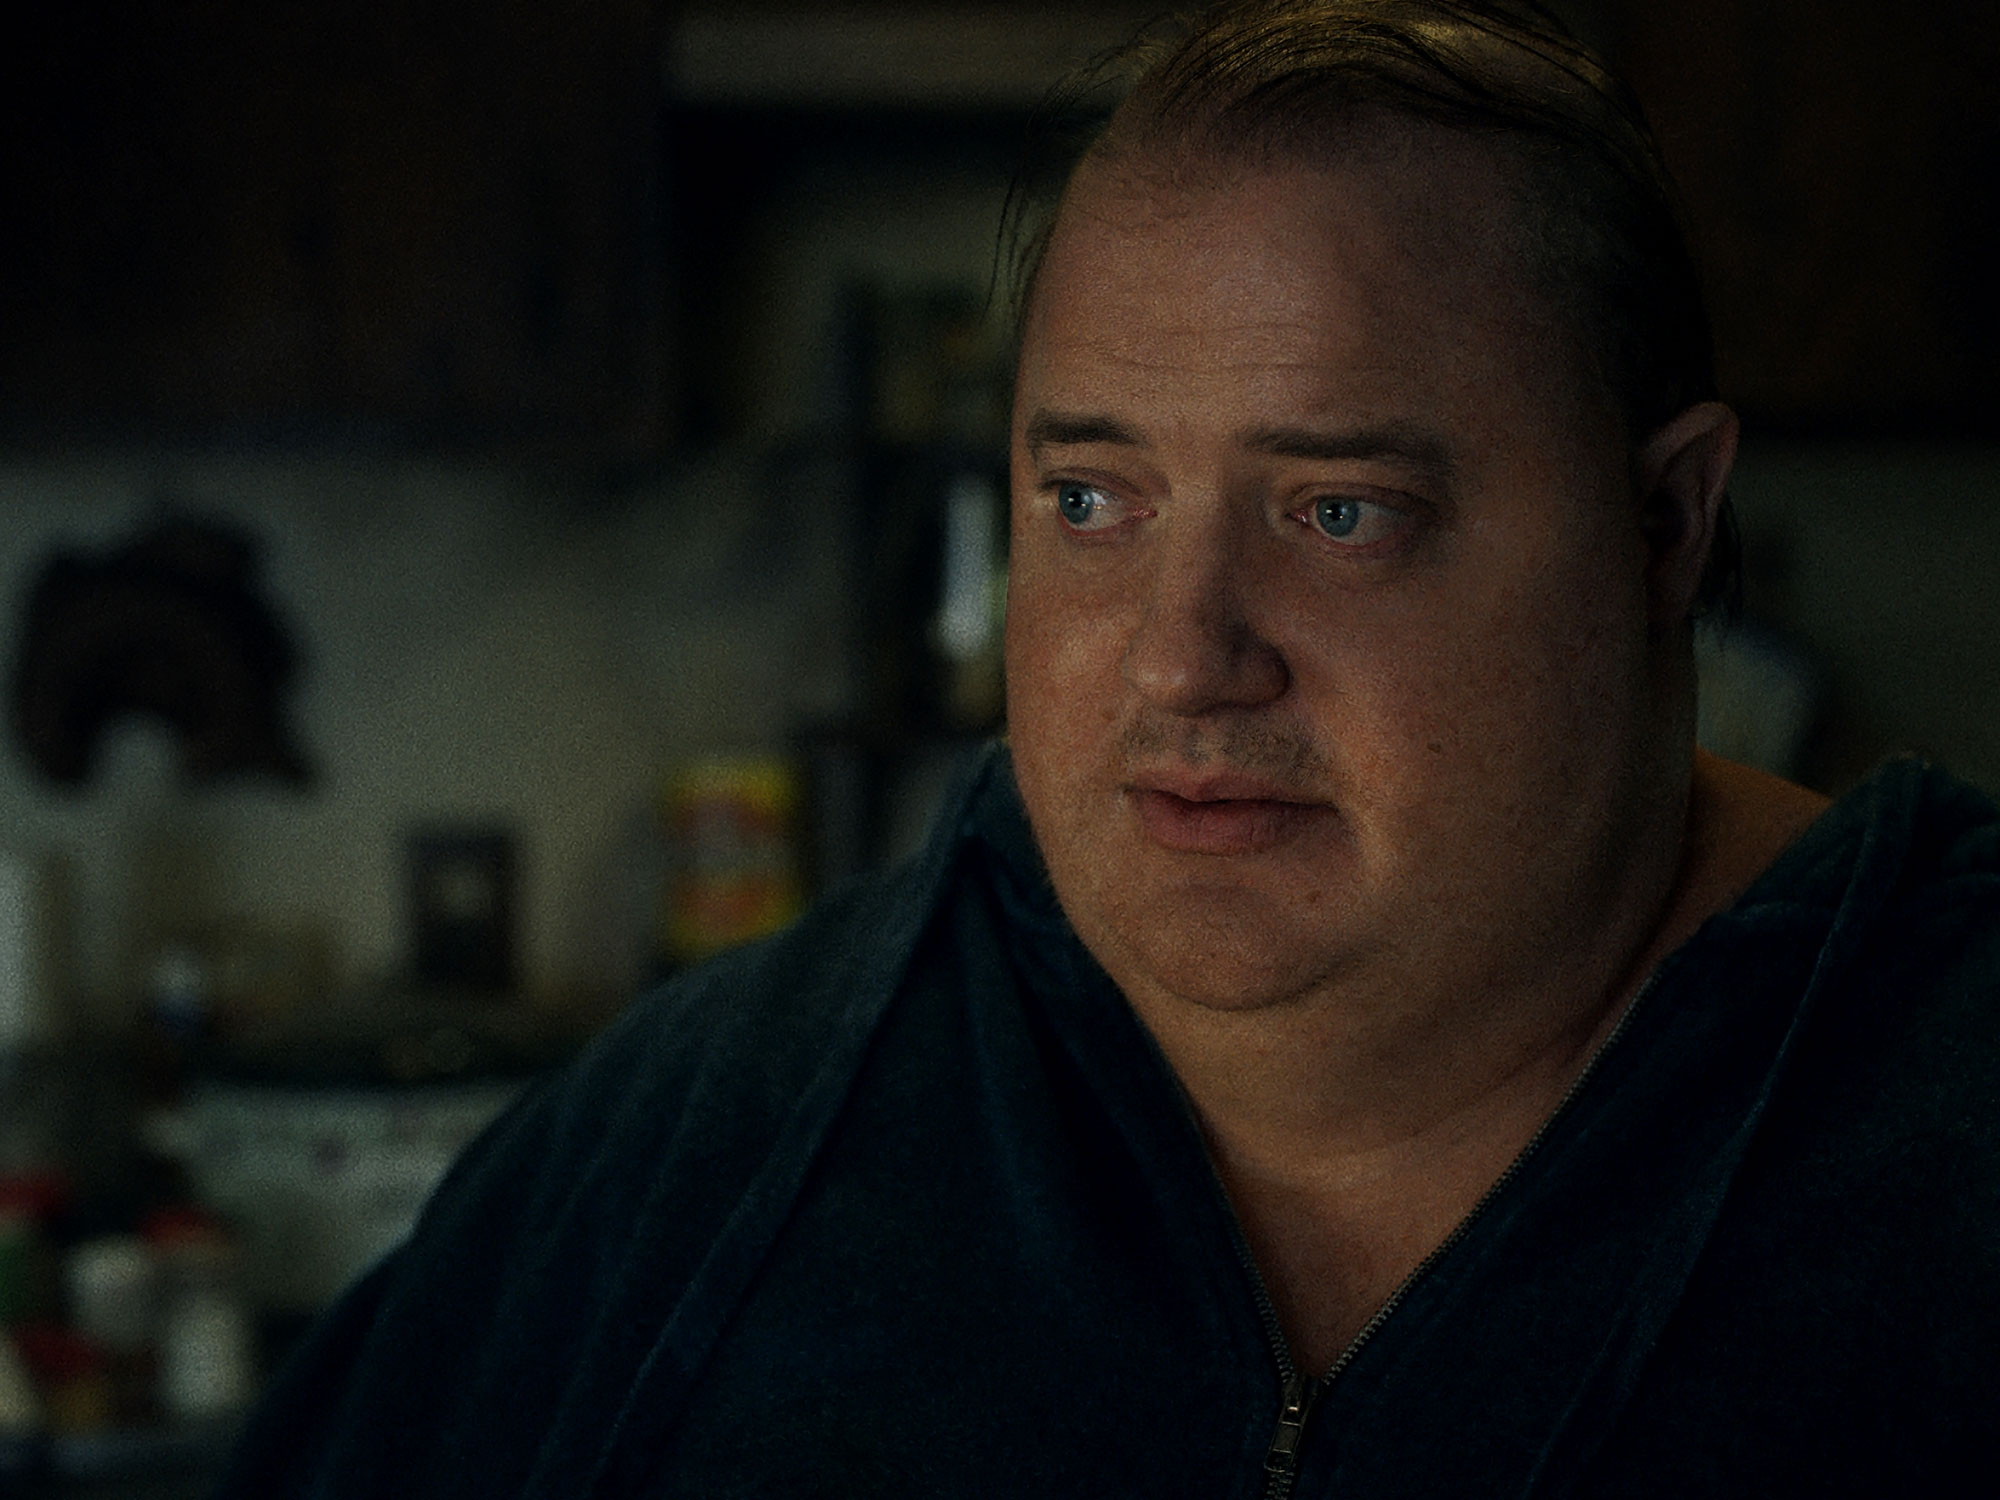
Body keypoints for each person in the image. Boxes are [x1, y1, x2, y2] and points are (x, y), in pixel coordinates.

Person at [216, 2, 2000, 1495]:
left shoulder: (1944, 1121)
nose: (1180, 655)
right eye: (1089, 499)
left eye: (1341, 513)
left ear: (1666, 522)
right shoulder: (707, 1144)